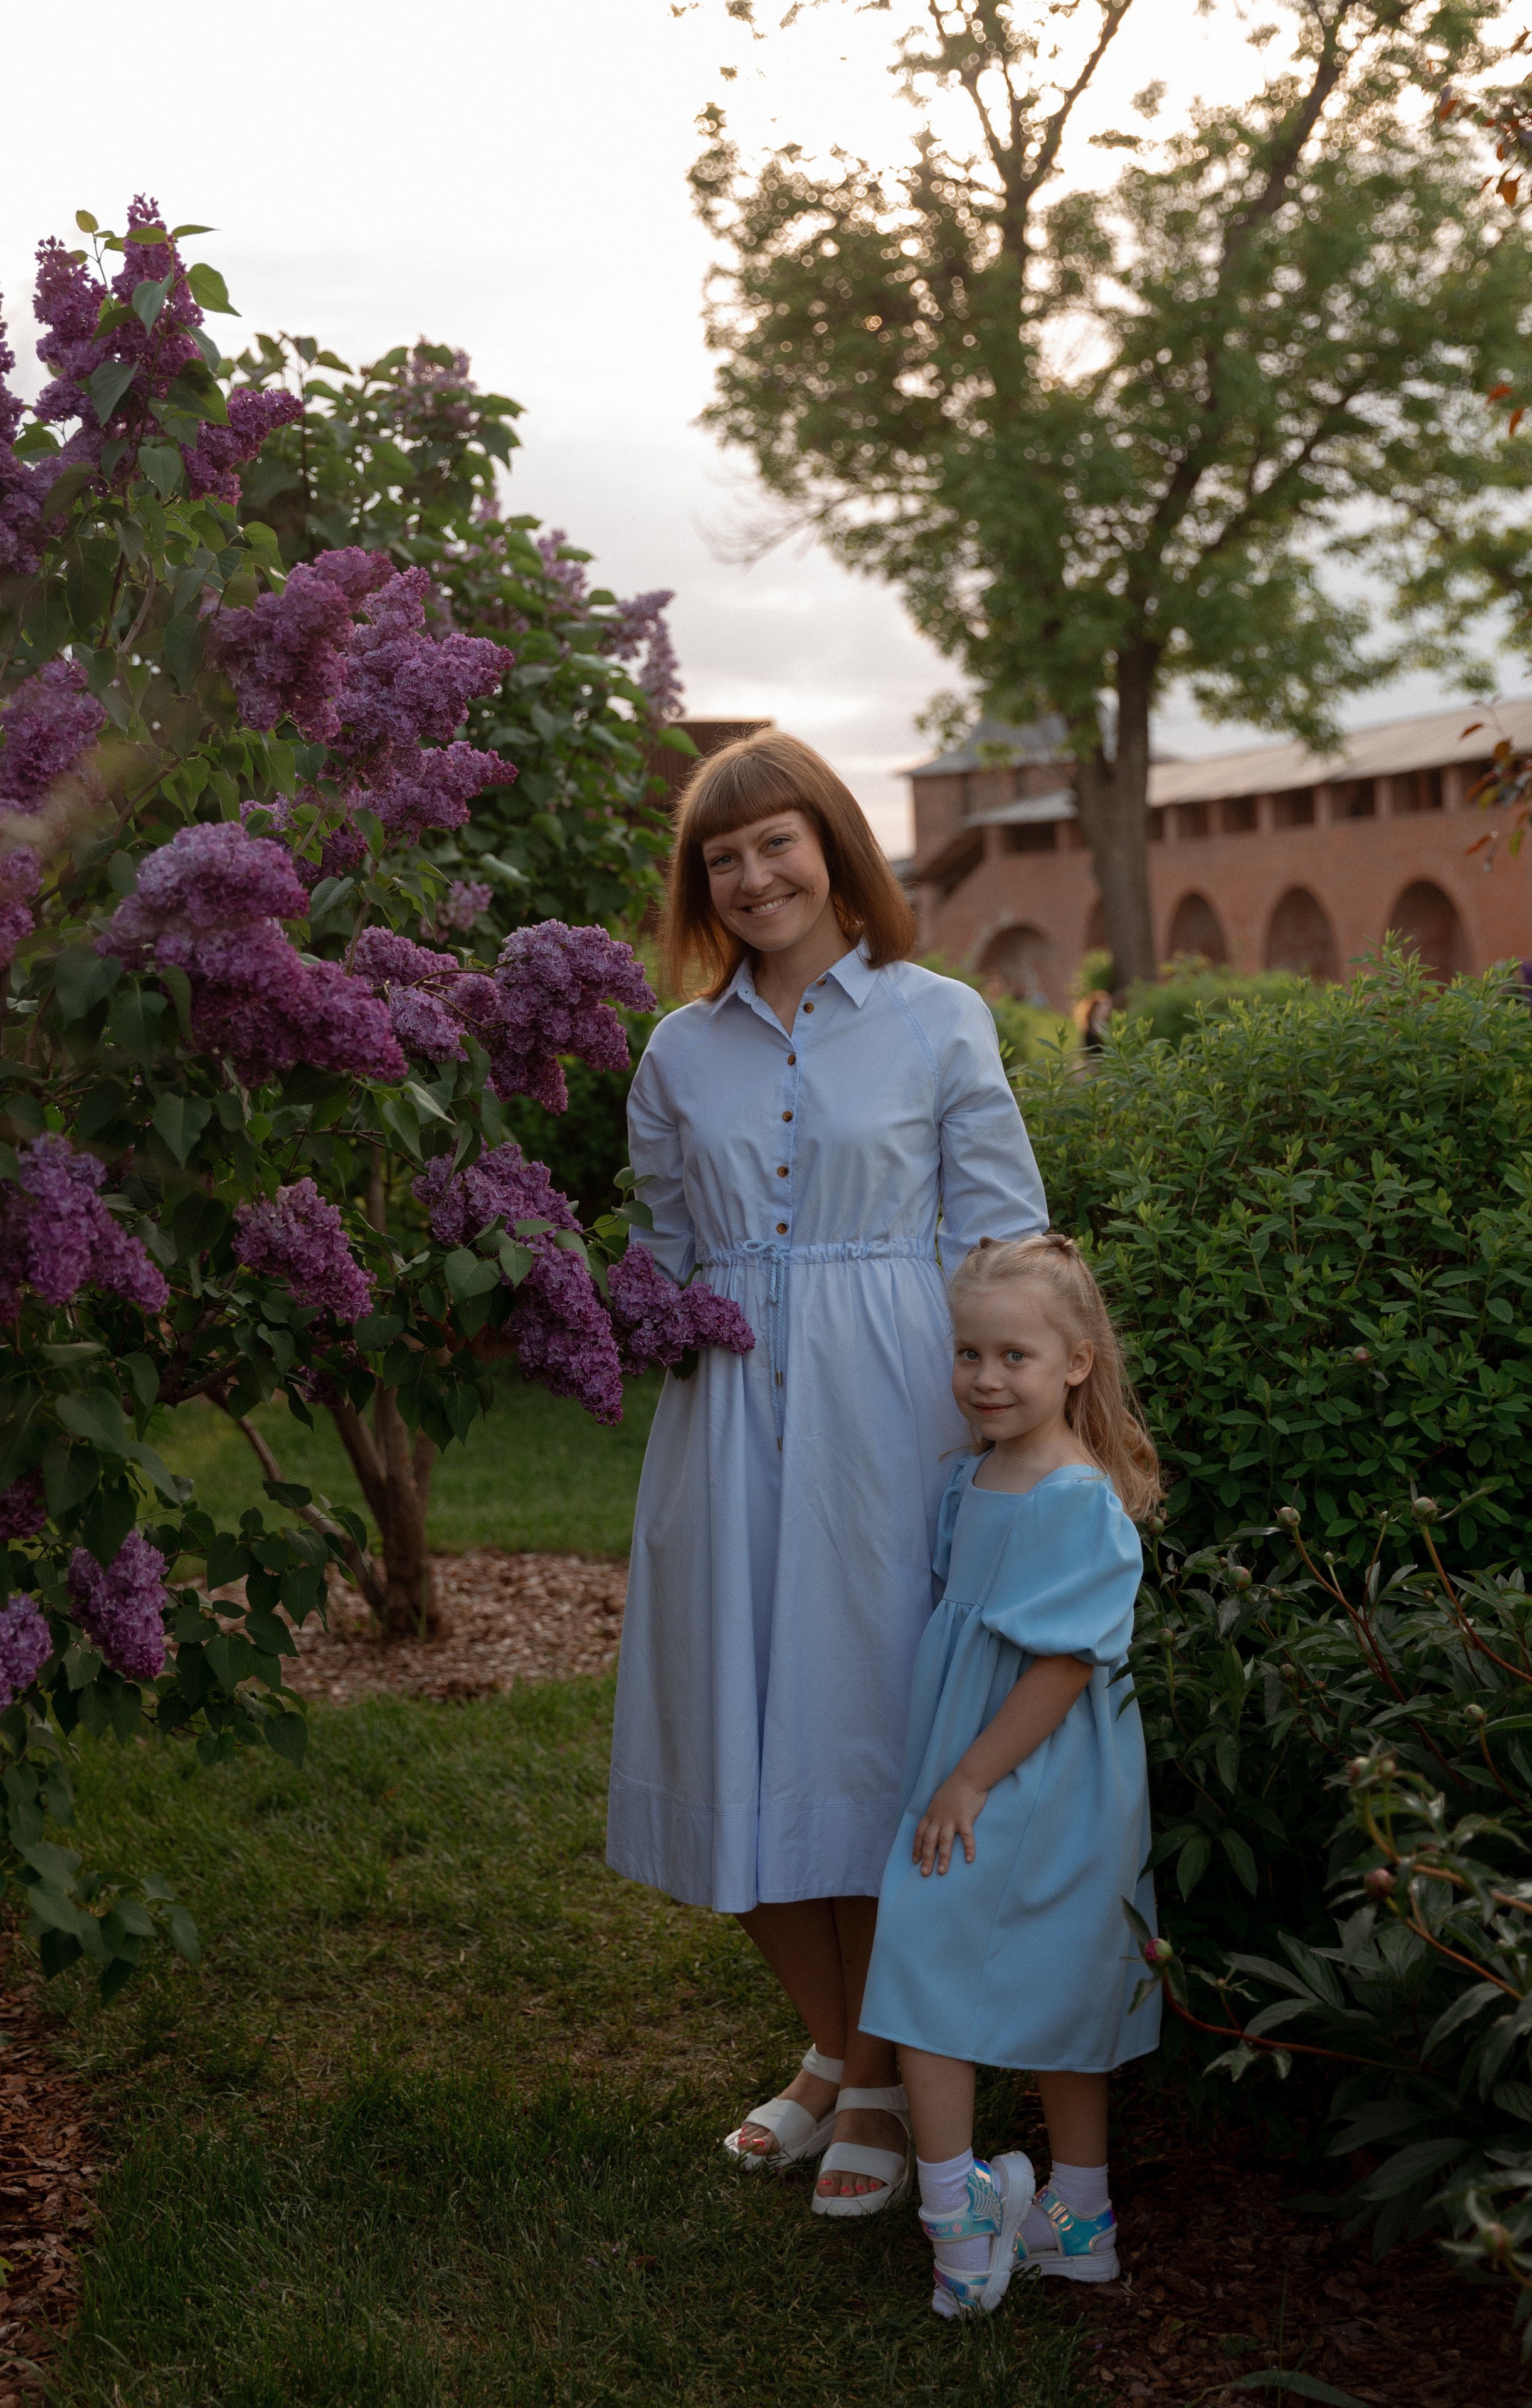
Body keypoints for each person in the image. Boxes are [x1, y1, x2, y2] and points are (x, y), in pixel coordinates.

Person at [606, 730, 1047, 2216]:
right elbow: (660, 1252)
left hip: (895, 1419)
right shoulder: (677, 1052)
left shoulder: (938, 1021)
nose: (749, 877)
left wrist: (1015, 1432)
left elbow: (1001, 1244)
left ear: (836, 848)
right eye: (719, 861)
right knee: (738, 1733)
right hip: (728, 1418)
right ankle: (839, 2058)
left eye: (774, 844)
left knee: (869, 1742)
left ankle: (859, 2079)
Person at [858, 1231, 1162, 2315]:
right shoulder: (979, 1472)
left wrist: (970, 1781)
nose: (985, 1378)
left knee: (923, 1967)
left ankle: (962, 2230)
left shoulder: (1072, 1496)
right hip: (990, 1764)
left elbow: (1067, 1664)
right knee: (1050, 1980)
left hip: (1031, 1774)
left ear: (1077, 1361)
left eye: (1015, 1357)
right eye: (968, 1353)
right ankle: (1077, 2224)